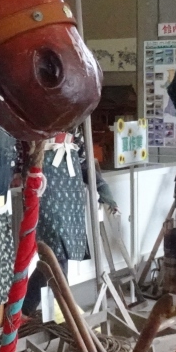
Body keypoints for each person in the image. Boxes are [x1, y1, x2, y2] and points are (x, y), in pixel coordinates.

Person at [22, 131, 117, 318]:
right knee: (55, 252)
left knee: (58, 255)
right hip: (46, 182)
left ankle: (26, 312)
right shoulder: (37, 122)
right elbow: (25, 150)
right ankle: (64, 314)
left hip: (71, 187)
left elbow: (83, 160)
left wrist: (103, 188)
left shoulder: (73, 123)